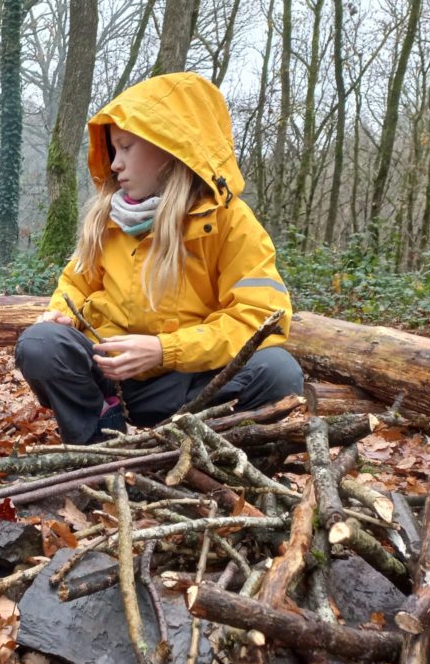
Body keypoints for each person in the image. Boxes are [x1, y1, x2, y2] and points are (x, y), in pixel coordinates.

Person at [16, 72, 303, 445]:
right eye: (113, 151)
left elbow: (260, 319)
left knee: (279, 372)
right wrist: (61, 314)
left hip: (188, 385)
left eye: (126, 147)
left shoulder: (231, 224)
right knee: (40, 344)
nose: (115, 164)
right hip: (110, 378)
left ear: (170, 147)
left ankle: (215, 458)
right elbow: (74, 285)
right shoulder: (107, 220)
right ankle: (99, 447)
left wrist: (165, 351)